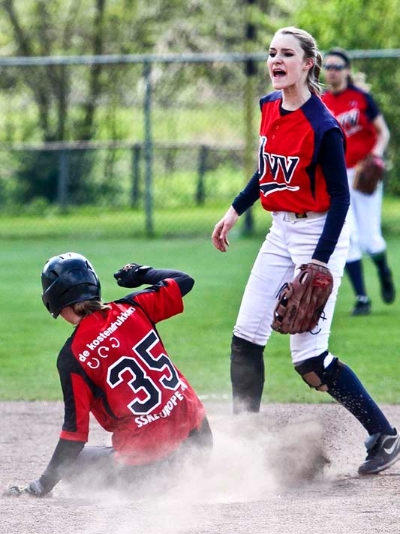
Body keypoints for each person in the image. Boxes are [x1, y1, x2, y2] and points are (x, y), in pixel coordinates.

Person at [211, 26, 400, 475]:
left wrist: (318, 259)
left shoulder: (324, 126)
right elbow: (267, 172)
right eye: (272, 52)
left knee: (309, 361)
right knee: (245, 338)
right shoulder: (268, 107)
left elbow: (341, 200)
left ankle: (384, 434)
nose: (276, 60)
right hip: (280, 231)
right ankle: (246, 447)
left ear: (307, 63)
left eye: (287, 54)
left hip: (321, 232)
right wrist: (235, 211)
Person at [5, 253, 212, 497]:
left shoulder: (72, 357)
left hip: (152, 471)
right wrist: (141, 273)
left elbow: (74, 437)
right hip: (200, 443)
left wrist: (40, 486)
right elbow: (184, 280)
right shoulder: (133, 306)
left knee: (75, 465)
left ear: (53, 298)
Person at [322, 47, 395, 316]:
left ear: (347, 71)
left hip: (364, 176)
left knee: (370, 239)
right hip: (338, 177)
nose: (332, 71)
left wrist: (375, 155)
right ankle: (362, 297)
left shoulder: (361, 99)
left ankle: (383, 270)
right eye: (328, 66)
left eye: (337, 66)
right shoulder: (320, 101)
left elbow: (382, 132)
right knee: (348, 236)